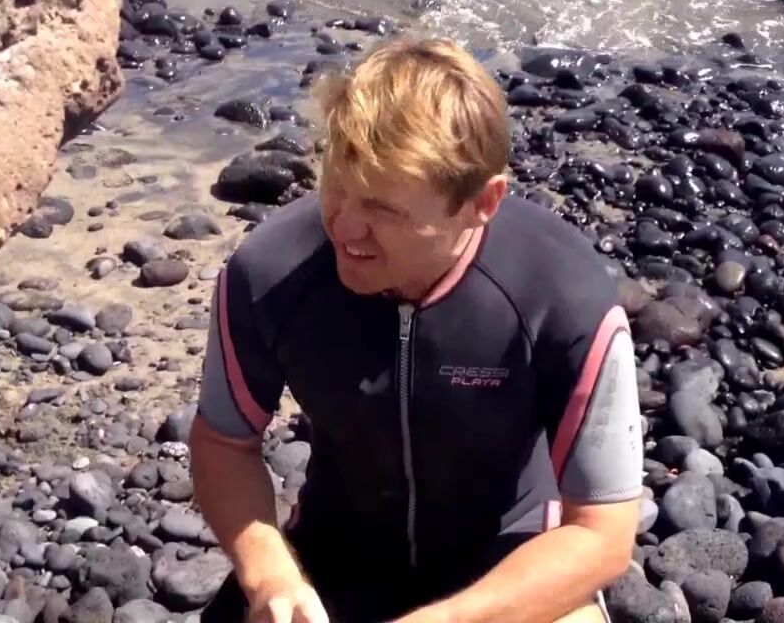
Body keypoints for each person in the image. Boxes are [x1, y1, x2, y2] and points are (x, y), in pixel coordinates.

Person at [188, 35, 644, 623]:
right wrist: (270, 575)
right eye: (338, 185)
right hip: (335, 558)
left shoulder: (560, 293)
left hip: (509, 567)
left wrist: (448, 621)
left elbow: (602, 533)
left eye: (384, 210)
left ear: (482, 203)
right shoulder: (269, 273)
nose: (345, 229)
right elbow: (224, 443)